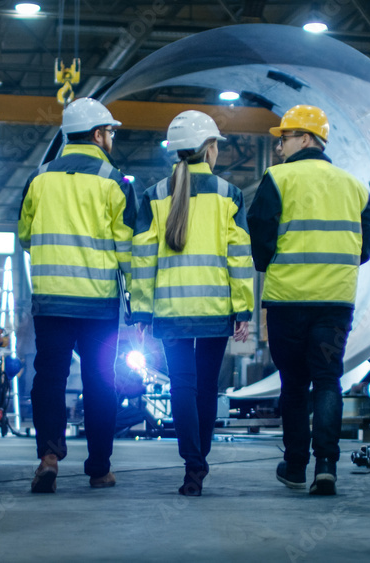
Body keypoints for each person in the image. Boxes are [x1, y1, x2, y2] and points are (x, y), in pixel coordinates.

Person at [247, 104, 370, 496]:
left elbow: (260, 238)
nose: (279, 146)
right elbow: (366, 248)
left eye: (284, 138)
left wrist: (275, 263)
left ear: (306, 139)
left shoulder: (277, 179)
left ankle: (296, 466)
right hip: (336, 302)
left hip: (287, 299)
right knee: (327, 380)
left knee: (293, 384)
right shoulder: (356, 186)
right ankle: (327, 465)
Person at [131, 110, 254, 496]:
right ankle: (201, 461)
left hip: (171, 313)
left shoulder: (154, 195)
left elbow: (142, 258)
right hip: (216, 312)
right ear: (210, 148)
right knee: (205, 389)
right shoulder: (228, 194)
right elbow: (239, 257)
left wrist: (142, 311)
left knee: (181, 387)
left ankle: (192, 466)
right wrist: (243, 308)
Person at [18, 98, 136, 493]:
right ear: (99, 134)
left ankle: (49, 457)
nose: (112, 139)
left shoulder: (40, 178)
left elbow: (25, 236)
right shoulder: (115, 181)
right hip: (98, 304)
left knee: (49, 378)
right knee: (101, 380)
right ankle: (99, 468)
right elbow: (126, 251)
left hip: (51, 301)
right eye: (111, 132)